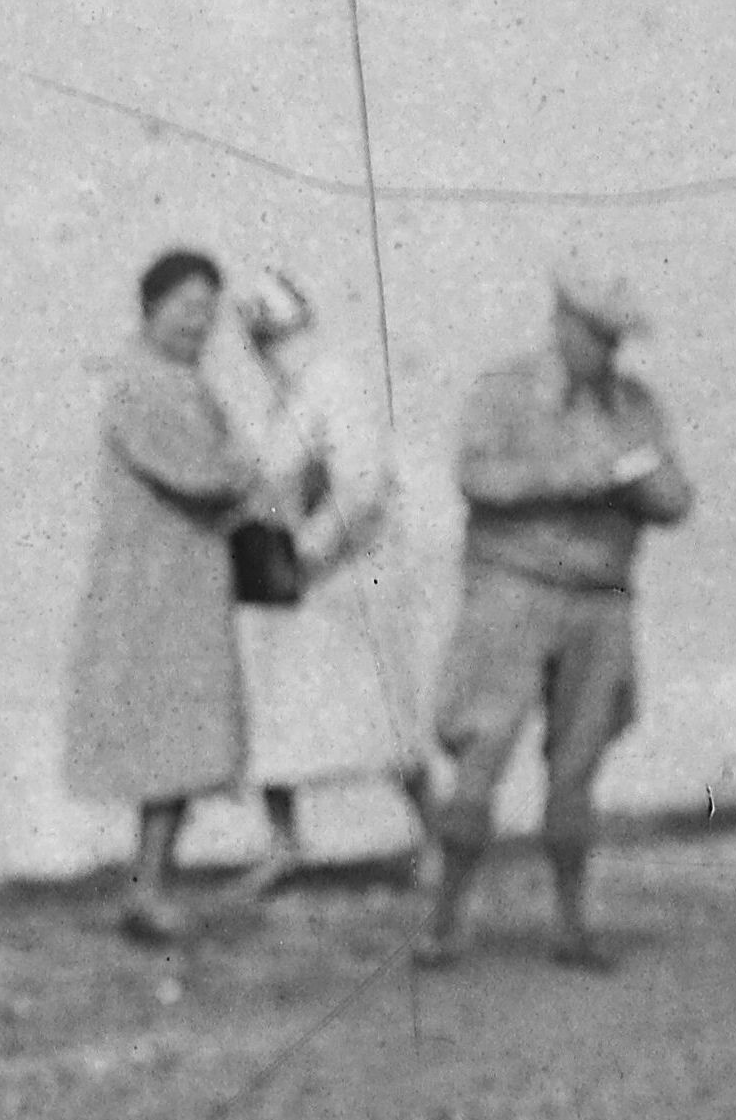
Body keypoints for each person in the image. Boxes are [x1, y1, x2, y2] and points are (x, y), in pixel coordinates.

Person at [416, 258, 687, 968]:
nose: (606, 350)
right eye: (595, 333)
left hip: (600, 597)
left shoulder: (633, 404)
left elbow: (676, 497)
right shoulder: (504, 391)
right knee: (479, 753)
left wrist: (637, 482)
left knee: (578, 765)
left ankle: (571, 926)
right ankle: (444, 925)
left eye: (614, 337)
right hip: (513, 589)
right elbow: (476, 476)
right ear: (562, 323)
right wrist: (573, 478)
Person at [67, 249, 269, 938]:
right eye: (185, 307)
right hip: (151, 589)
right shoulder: (141, 382)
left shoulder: (181, 380)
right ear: (151, 306)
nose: (197, 323)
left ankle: (150, 885)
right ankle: (147, 890)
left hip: (184, 583)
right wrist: (251, 475)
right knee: (165, 741)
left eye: (208, 312)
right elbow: (200, 473)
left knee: (179, 743)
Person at [215, 266, 418, 879]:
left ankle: (435, 835)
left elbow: (361, 486)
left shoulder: (337, 385)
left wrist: (308, 549)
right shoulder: (281, 399)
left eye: (279, 334)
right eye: (262, 340)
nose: (272, 349)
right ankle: (284, 843)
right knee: (273, 712)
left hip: (347, 577)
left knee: (381, 714)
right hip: (289, 582)